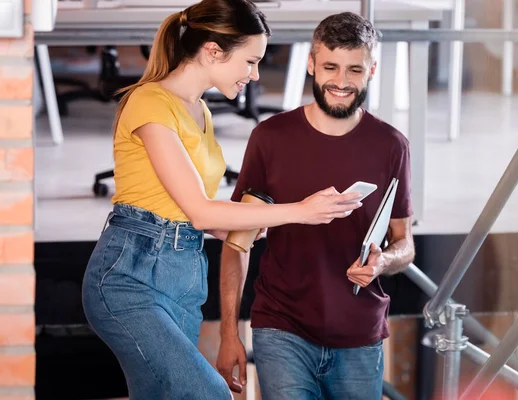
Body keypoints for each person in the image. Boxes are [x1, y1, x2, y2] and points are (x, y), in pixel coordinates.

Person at [80, 1, 363, 399]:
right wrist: (302, 211)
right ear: (213, 51)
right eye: (250, 61)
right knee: (210, 393)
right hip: (131, 277)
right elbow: (197, 209)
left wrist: (242, 222)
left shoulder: (198, 112)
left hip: (182, 276)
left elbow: (189, 207)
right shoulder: (149, 104)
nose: (255, 74)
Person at [216, 11, 416, 400]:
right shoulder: (270, 138)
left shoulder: (392, 145)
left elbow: (404, 243)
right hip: (282, 329)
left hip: (359, 333)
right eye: (330, 67)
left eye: (354, 70)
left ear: (371, 70)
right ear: (311, 64)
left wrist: (383, 262)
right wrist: (228, 333)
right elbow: (237, 242)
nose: (341, 82)